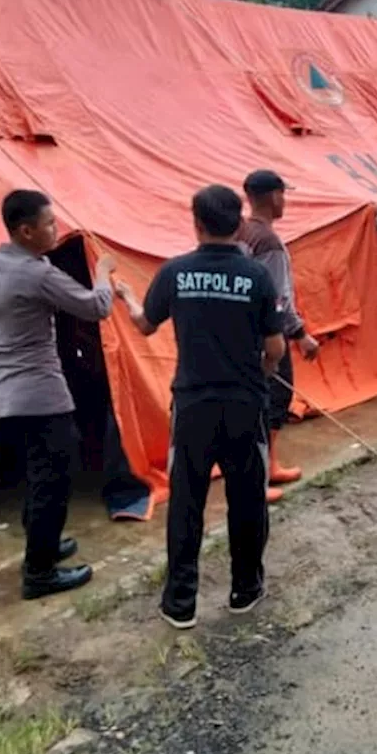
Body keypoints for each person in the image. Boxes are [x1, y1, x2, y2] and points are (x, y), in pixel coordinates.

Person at [117, 185, 286, 630]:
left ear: (196, 223)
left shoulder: (175, 273)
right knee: (247, 499)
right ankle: (244, 589)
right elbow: (275, 345)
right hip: (245, 404)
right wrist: (264, 373)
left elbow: (145, 325)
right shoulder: (256, 277)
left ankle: (180, 603)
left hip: (193, 406)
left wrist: (127, 297)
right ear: (239, 224)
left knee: (187, 502)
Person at [0, 189, 116, 600]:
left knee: (38, 477)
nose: (56, 231)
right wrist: (103, 272)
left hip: (5, 394)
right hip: (40, 393)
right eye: (49, 224)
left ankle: (43, 544)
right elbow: (96, 307)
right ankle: (39, 573)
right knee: (54, 481)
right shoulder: (37, 274)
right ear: (25, 231)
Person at [238, 170, 320, 504]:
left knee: (264, 400)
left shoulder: (240, 231)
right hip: (267, 334)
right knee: (272, 399)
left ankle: (267, 465)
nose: (284, 200)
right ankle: (262, 472)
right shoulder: (268, 242)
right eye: (283, 194)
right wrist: (300, 334)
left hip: (243, 331)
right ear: (273, 196)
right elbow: (276, 298)